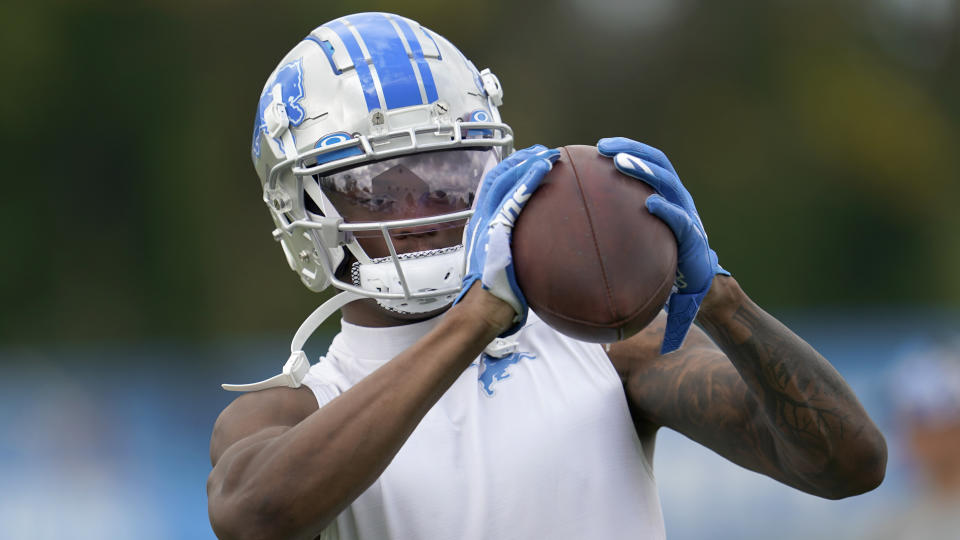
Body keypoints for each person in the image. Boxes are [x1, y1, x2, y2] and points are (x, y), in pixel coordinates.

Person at [206, 12, 887, 540]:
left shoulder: (614, 352)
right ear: (304, 207)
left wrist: (725, 305)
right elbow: (256, 518)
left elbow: (849, 465)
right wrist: (478, 319)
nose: (421, 211)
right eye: (376, 186)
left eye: (448, 175)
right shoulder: (289, 410)